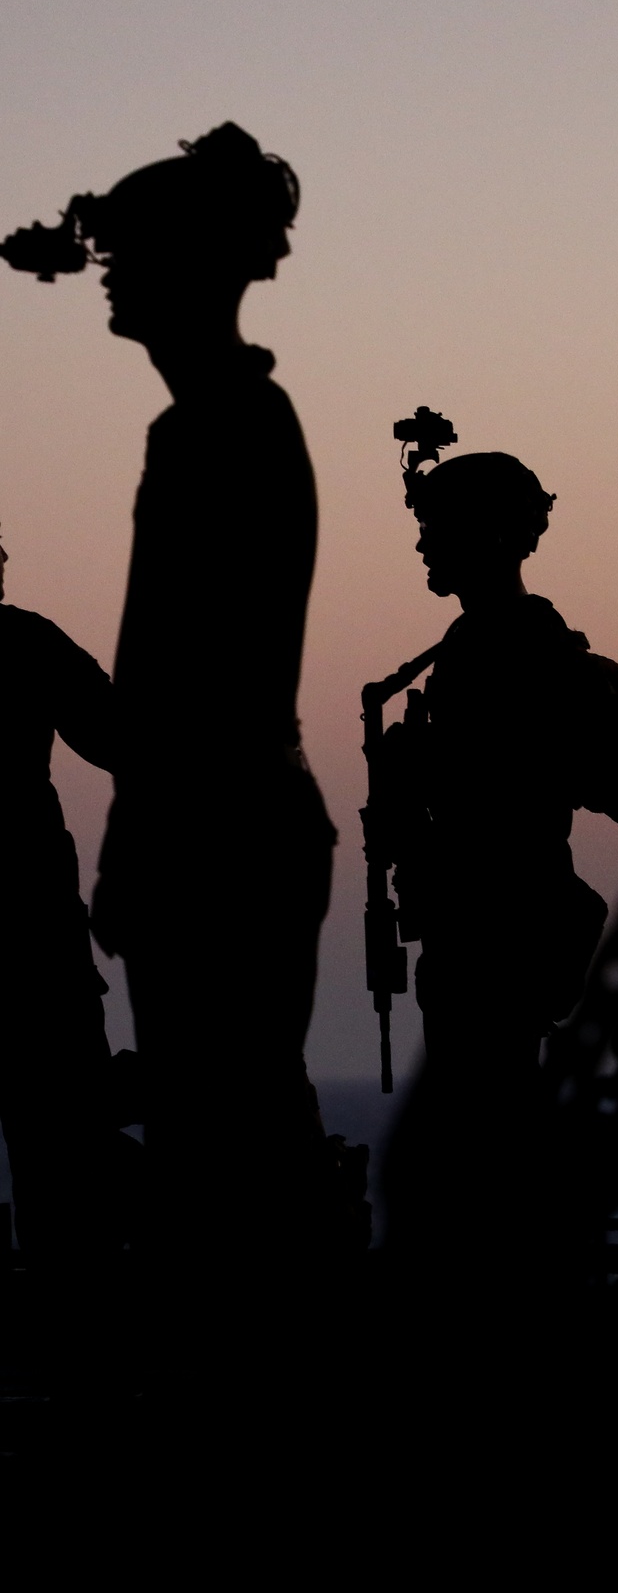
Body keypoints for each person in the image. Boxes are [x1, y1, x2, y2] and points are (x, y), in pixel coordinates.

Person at [85, 124, 336, 1264]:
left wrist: (138, 831)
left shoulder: (216, 431)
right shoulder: (219, 421)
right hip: (233, 820)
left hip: (216, 828)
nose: (111, 274)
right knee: (234, 1138)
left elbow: (194, 674)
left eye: (129, 254)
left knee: (223, 1156)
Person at [380, 451, 618, 1282]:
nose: (423, 546)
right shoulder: (470, 643)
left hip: (501, 927)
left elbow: (579, 776)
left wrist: (433, 770)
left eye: (436, 528)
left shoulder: (522, 643)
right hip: (468, 925)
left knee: (486, 1136)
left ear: (491, 534)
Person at [0, 526, 138, 1256]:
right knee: (66, 1172)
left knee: (66, 1170)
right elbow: (126, 737)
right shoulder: (23, 642)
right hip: (35, 946)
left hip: (38, 941)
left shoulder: (26, 643)